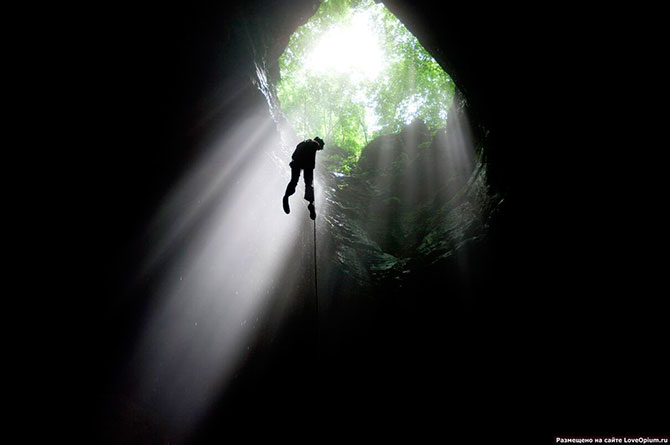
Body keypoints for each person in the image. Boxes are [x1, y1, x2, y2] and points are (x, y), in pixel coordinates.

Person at [283, 136, 325, 219]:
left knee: (294, 181)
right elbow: (311, 162)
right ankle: (310, 203)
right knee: (309, 185)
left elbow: (294, 156)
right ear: (319, 144)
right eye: (319, 149)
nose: (318, 150)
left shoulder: (304, 143)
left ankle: (286, 197)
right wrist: (310, 170)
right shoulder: (314, 145)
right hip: (305, 166)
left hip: (296, 164)